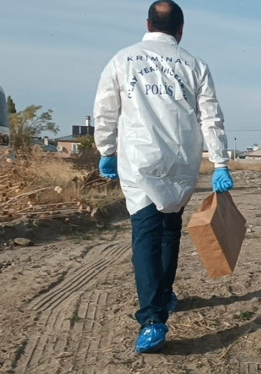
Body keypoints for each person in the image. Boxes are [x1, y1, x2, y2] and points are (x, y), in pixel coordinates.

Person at [93, 0, 233, 354]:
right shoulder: (195, 65)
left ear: (148, 24)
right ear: (181, 30)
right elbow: (211, 118)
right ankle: (164, 297)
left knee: (145, 232)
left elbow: (106, 109)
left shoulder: (123, 59)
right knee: (170, 227)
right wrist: (220, 163)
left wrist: (106, 150)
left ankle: (153, 318)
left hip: (139, 157)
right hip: (181, 159)